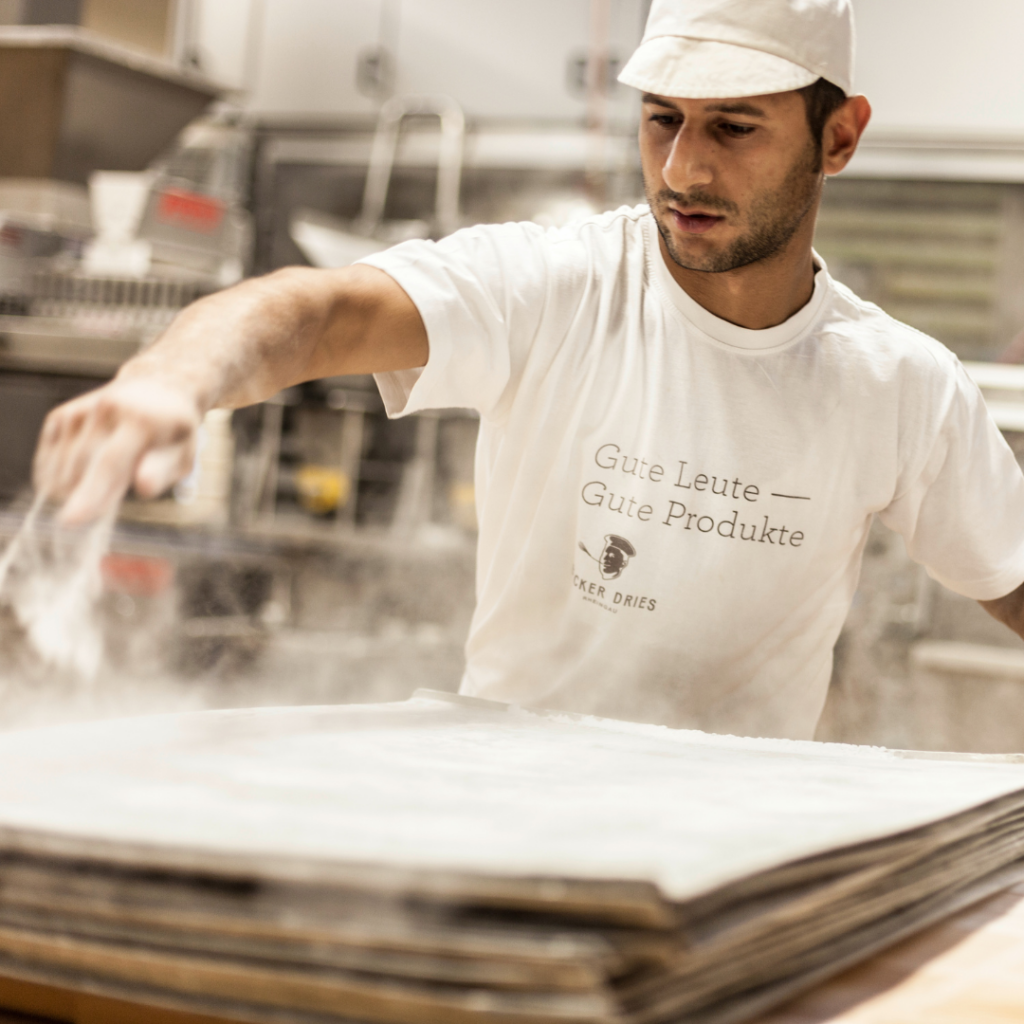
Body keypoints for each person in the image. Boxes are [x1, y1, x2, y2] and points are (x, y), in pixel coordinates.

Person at [32, 0, 1024, 739]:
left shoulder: (899, 386)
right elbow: (316, 310)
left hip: (734, 865)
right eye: (661, 119)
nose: (682, 169)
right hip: (500, 822)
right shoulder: (553, 286)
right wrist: (168, 382)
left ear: (838, 136)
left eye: (733, 127)